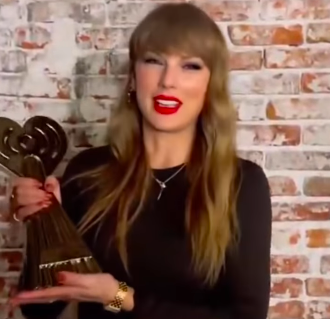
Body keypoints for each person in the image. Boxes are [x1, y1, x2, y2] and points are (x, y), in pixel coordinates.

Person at [9, 3, 272, 319]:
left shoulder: (242, 183)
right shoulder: (88, 172)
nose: (168, 80)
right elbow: (41, 312)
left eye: (190, 66)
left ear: (210, 86)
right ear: (133, 78)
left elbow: (247, 315)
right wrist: (45, 226)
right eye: (153, 61)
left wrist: (121, 297)